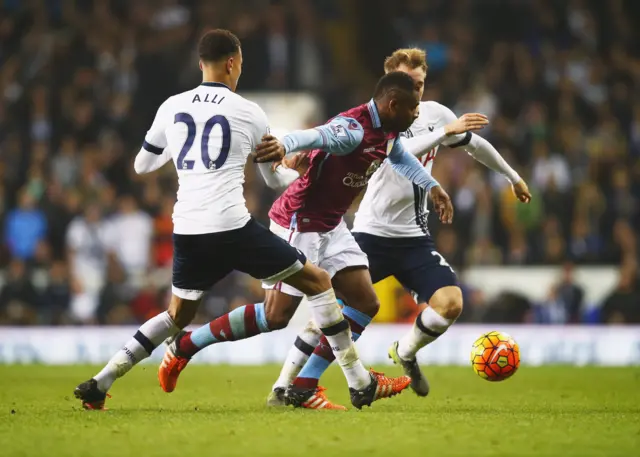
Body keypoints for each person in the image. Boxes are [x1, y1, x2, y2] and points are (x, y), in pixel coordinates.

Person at [73, 29, 399, 411]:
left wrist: (182, 157)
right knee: (318, 281)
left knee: (176, 315)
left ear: (200, 64)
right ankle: (358, 380)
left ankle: (101, 380)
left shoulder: (172, 106)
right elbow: (272, 179)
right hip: (232, 228)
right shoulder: (249, 112)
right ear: (232, 63)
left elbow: (142, 165)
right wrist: (296, 169)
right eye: (240, 63)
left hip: (188, 229)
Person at [159, 68, 478, 410]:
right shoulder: (353, 130)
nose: (417, 114)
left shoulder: (387, 130)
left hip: (332, 225)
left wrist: (432, 187)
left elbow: (399, 155)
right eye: (413, 108)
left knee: (365, 301)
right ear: (393, 104)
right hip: (300, 222)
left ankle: (303, 386)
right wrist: (284, 145)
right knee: (275, 316)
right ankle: (188, 344)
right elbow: (315, 135)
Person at [266, 48, 531, 408]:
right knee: (330, 312)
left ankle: (405, 352)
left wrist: (512, 177)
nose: (416, 93)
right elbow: (398, 149)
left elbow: (472, 143)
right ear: (390, 86)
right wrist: (442, 135)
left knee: (451, 304)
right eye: (408, 84)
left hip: (413, 238)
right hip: (370, 233)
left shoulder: (433, 114)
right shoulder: (374, 120)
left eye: (420, 84)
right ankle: (288, 384)